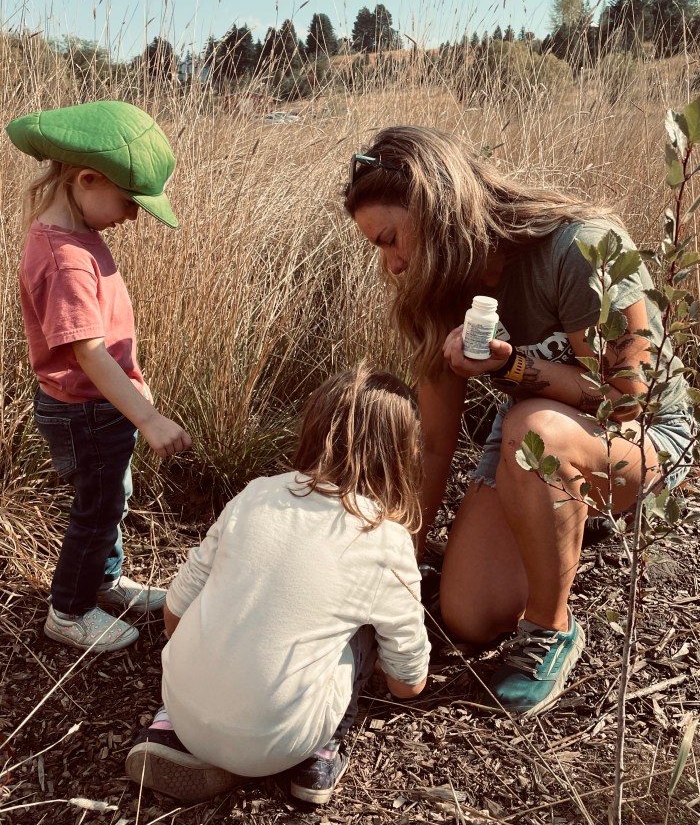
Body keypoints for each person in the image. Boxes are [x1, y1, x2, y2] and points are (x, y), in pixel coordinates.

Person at [344, 126, 694, 718]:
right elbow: (433, 444)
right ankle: (563, 509)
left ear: (437, 209)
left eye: (392, 239)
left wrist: (515, 368)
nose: (393, 264)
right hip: (534, 440)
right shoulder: (441, 289)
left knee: (534, 429)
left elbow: (629, 400)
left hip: (643, 435)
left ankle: (551, 628)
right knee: (469, 615)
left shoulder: (581, 247)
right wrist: (405, 563)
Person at [125, 365, 430, 805]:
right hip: (284, 738)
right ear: (402, 454)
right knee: (361, 628)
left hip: (181, 701)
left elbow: (175, 607)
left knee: (229, 589)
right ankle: (320, 753)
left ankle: (173, 727)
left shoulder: (256, 494)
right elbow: (408, 683)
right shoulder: (385, 539)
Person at [7, 100, 192, 653]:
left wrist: (132, 394)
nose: (133, 216)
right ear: (87, 179)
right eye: (130, 201)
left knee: (112, 497)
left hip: (100, 405)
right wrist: (148, 418)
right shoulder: (64, 257)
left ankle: (104, 580)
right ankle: (68, 611)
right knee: (96, 510)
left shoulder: (79, 236)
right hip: (85, 410)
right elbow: (87, 351)